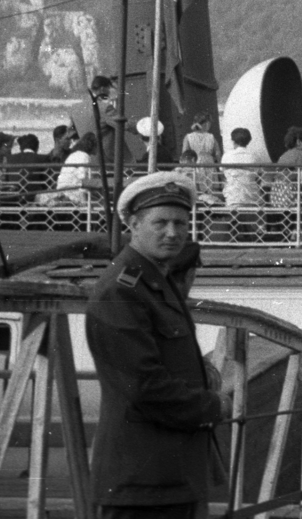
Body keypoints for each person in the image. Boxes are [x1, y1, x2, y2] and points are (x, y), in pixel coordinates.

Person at [85, 171, 226, 517]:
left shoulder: (153, 283)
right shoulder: (121, 291)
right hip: (141, 484)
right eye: (160, 222)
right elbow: (144, 387)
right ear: (133, 224)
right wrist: (214, 406)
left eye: (181, 223)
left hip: (167, 478)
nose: (173, 233)